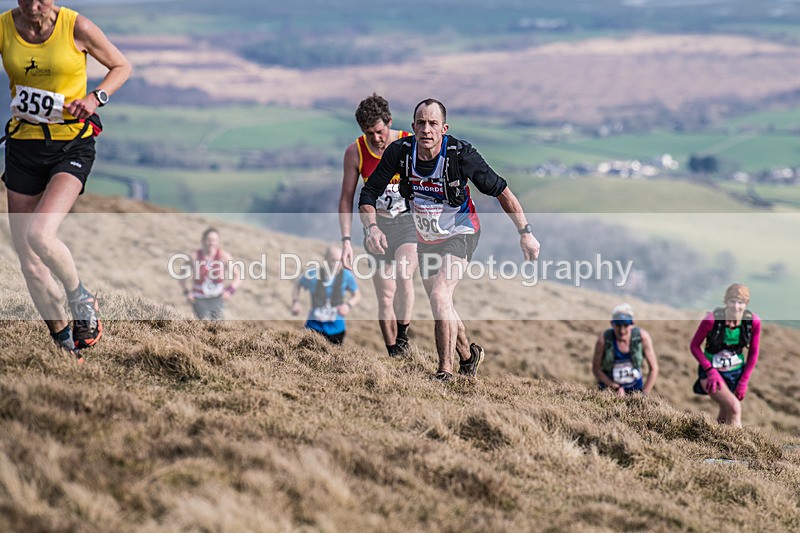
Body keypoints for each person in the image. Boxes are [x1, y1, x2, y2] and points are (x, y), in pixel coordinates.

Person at [358, 98, 540, 381]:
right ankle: (468, 357)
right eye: (421, 123)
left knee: (440, 295)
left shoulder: (460, 155)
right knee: (441, 302)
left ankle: (445, 372)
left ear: (444, 128)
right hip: (426, 238)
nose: (426, 130)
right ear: (413, 127)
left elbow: (501, 190)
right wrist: (372, 228)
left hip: (461, 232)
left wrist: (525, 233)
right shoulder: (401, 152)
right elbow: (368, 193)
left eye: (433, 124)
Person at [1, 0, 131, 361]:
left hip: (71, 144)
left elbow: (121, 66)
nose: (32, 5)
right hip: (23, 147)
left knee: (40, 235)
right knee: (29, 261)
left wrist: (95, 97)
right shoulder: (4, 27)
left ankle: (80, 297)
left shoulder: (78, 27)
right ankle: (64, 345)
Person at [339, 94, 418, 357]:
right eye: (369, 133)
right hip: (376, 228)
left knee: (404, 276)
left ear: (389, 122)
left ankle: (404, 336)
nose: (376, 138)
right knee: (385, 297)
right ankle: (394, 353)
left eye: (380, 131)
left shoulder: (409, 142)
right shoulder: (355, 152)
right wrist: (346, 241)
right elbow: (346, 199)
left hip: (408, 222)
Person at [690, 283, 761, 427]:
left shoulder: (752, 322)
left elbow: (753, 352)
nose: (736, 306)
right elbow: (694, 346)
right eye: (732, 301)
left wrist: (744, 381)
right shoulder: (711, 320)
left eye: (740, 302)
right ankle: (739, 447)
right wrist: (710, 371)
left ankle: (716, 445)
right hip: (711, 375)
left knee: (726, 411)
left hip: (736, 374)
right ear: (725, 302)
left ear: (746, 304)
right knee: (735, 408)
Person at [291, 245, 361, 345]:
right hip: (313, 327)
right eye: (333, 260)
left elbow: (357, 295)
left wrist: (348, 305)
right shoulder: (313, 274)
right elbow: (297, 284)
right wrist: (295, 302)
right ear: (325, 259)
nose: (336, 264)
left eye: (340, 260)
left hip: (336, 328)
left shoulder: (347, 276)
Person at [592, 304, 659, 397]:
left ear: (632, 324)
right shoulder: (603, 339)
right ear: (612, 324)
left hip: (636, 390)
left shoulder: (642, 338)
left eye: (626, 325)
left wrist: (644, 394)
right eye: (618, 325)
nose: (622, 331)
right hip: (608, 391)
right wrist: (615, 387)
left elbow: (654, 369)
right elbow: (596, 369)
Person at [179, 227, 242, 320]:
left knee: (218, 326)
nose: (212, 242)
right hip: (199, 298)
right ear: (203, 240)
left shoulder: (223, 256)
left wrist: (229, 291)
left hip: (217, 298)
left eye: (215, 240)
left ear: (218, 241)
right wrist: (187, 292)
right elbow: (181, 276)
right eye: (209, 239)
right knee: (204, 323)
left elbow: (238, 276)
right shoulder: (194, 256)